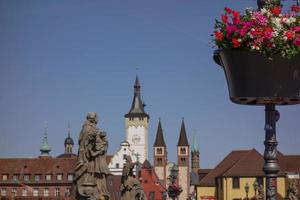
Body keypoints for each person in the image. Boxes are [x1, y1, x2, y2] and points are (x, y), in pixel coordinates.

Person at [75, 112, 110, 200]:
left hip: (91, 156)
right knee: (91, 172)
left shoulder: (90, 129)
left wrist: (101, 141)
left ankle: (97, 190)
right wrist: (96, 140)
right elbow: (85, 143)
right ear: (93, 119)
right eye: (96, 118)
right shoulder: (88, 129)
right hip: (88, 156)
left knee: (95, 174)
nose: (97, 120)